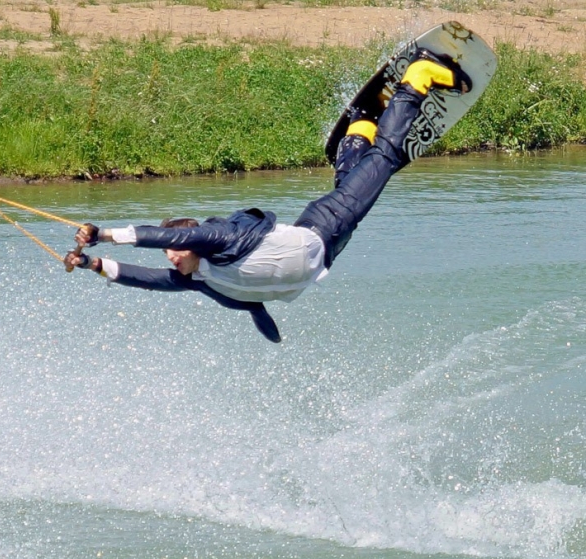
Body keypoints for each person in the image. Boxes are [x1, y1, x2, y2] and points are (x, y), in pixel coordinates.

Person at [64, 50, 472, 343]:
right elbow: (149, 281)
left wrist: (103, 234)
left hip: (323, 229)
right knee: (360, 179)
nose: (170, 258)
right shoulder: (201, 281)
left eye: (174, 250)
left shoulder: (216, 239)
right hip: (327, 251)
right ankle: (360, 131)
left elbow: (162, 237)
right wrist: (92, 264)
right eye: (170, 255)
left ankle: (417, 80)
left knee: (386, 159)